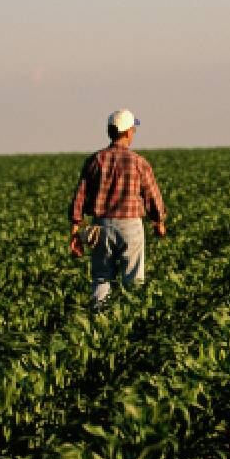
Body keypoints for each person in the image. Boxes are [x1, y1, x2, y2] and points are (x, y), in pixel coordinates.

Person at [69, 108, 168, 310]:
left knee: (101, 277)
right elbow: (152, 195)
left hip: (101, 226)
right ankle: (131, 319)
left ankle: (98, 319)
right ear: (128, 132)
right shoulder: (139, 162)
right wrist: (159, 221)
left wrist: (75, 230)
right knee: (133, 279)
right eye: (133, 129)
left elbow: (80, 195)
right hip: (131, 227)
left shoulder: (96, 160)